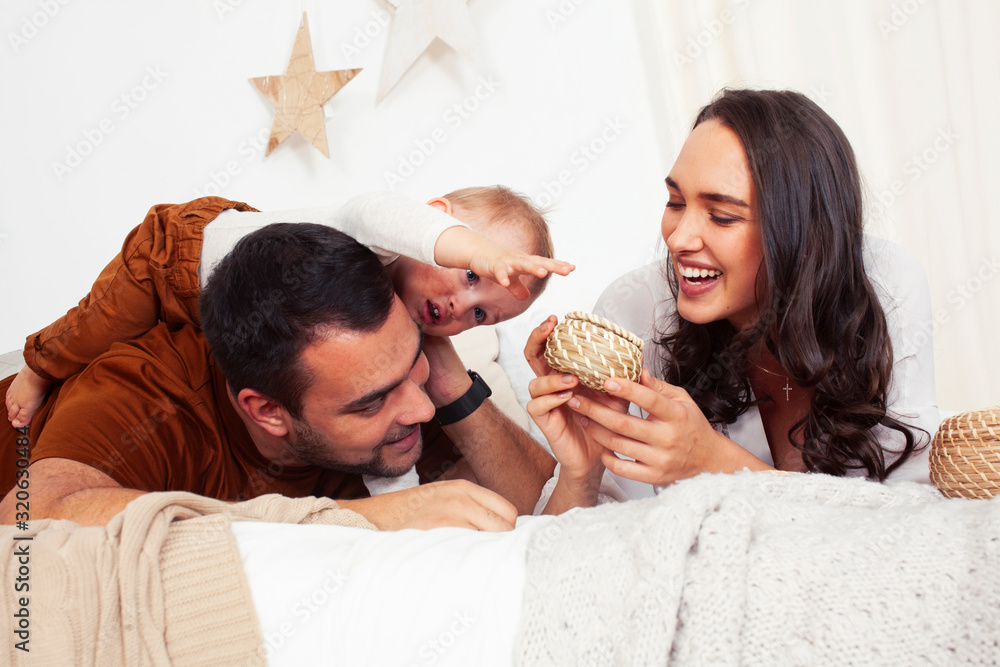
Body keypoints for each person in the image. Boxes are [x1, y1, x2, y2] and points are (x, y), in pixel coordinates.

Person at [525, 89, 939, 514]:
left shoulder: (885, 280)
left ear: (800, 231)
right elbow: (571, 552)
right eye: (676, 202)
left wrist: (717, 463)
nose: (679, 238)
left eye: (722, 216)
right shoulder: (635, 310)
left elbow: (911, 510)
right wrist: (582, 470)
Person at [0, 223, 553, 529]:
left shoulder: (394, 382)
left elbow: (539, 511)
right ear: (265, 410)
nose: (420, 411)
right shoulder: (147, 389)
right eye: (370, 402)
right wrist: (349, 520)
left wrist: (449, 383)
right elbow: (29, 524)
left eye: (415, 360)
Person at [5, 186, 573, 430]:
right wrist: (484, 251)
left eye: (482, 315)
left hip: (232, 322)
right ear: (435, 222)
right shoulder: (376, 234)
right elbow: (383, 213)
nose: (458, 305)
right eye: (470, 277)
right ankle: (39, 365)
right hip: (179, 262)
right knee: (99, 326)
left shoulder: (393, 336)